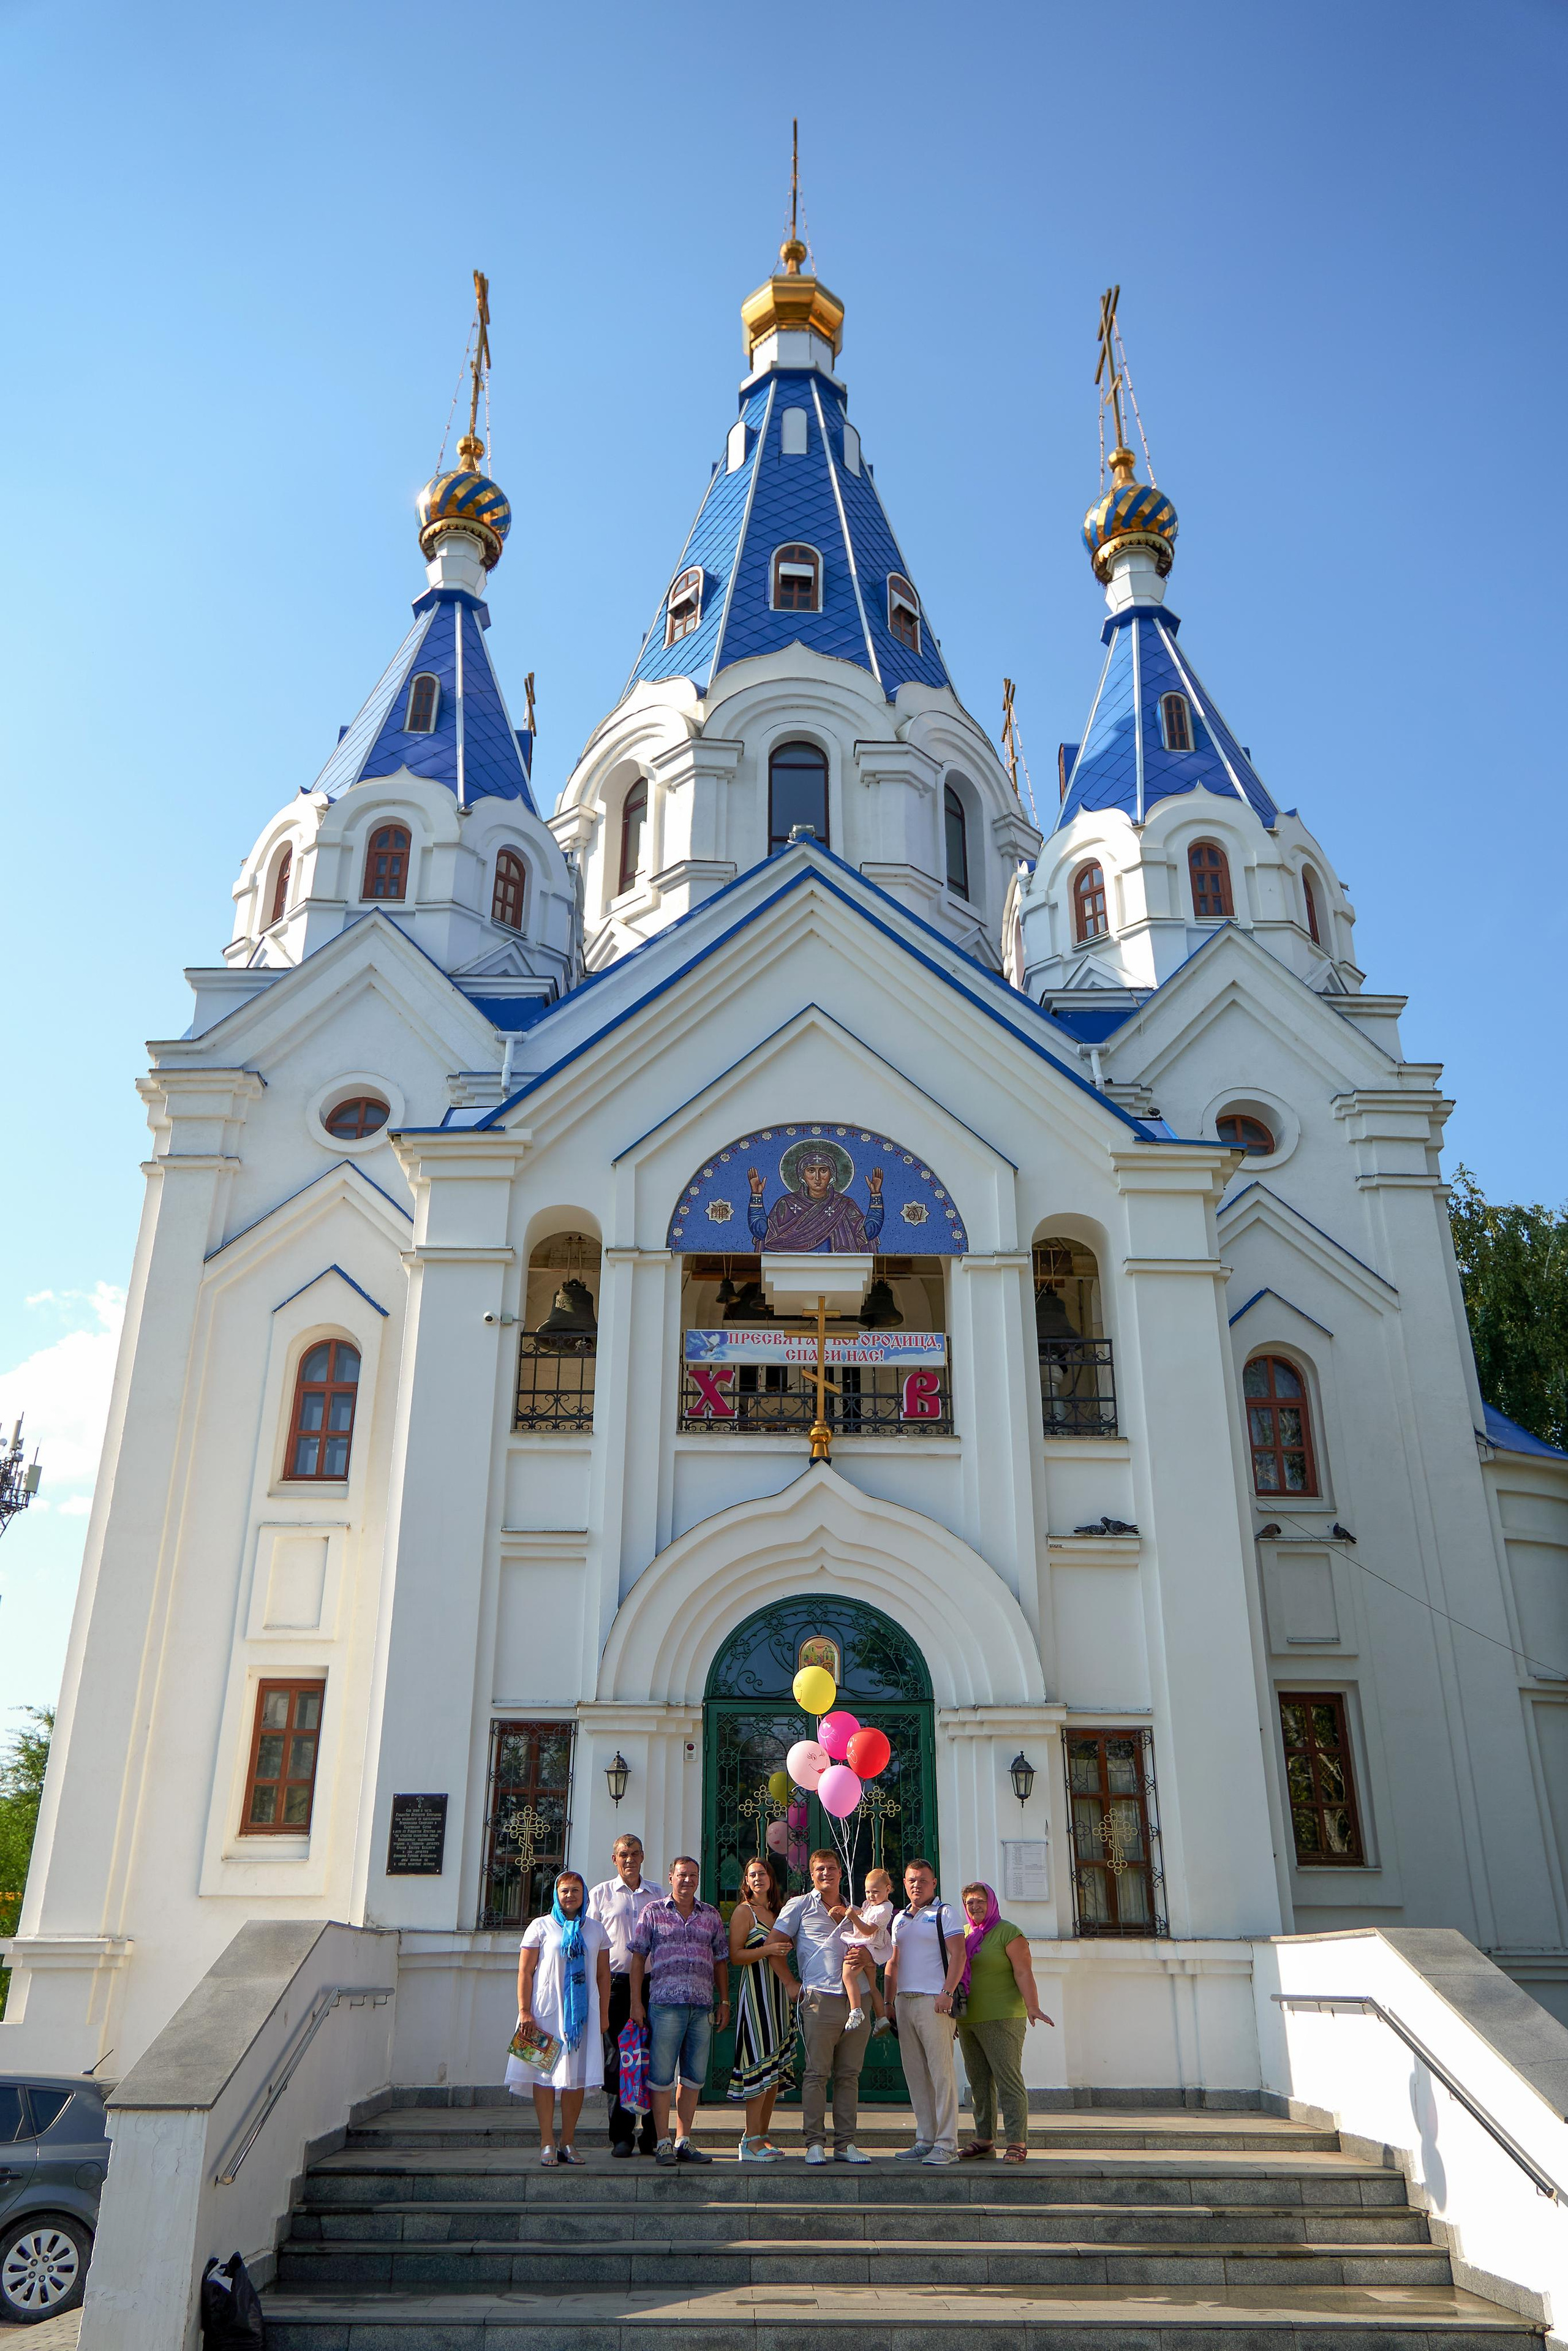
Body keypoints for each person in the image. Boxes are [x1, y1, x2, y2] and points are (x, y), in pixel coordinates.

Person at [766, 1849, 869, 2164]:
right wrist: (789, 1983)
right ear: (811, 1874)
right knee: (816, 2074)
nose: (827, 1874)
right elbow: (774, 1946)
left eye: (832, 1869)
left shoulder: (856, 1909)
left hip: (857, 1999)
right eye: (820, 1869)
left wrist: (867, 1957)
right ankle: (814, 2143)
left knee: (849, 2075)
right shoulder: (799, 1906)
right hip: (819, 1999)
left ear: (840, 1873)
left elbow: (878, 1945)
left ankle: (846, 2144)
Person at [628, 1855, 730, 2166]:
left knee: (693, 2078)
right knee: (661, 2078)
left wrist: (724, 2001)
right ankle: (662, 2142)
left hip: (701, 2008)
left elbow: (721, 1960)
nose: (688, 1881)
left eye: (693, 1876)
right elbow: (637, 1959)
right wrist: (636, 2002)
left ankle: (683, 2140)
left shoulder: (711, 1915)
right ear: (670, 1876)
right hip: (664, 2006)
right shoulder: (653, 1912)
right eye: (682, 1875)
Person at [506, 1870, 612, 2165]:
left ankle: (568, 2141)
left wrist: (603, 2014)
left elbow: (604, 1976)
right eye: (564, 1891)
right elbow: (525, 1972)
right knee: (544, 2076)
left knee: (574, 2079)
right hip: (545, 2014)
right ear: (556, 1893)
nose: (570, 1896)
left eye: (576, 1891)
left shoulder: (595, 1930)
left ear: (584, 1894)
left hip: (581, 2018)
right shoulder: (541, 1926)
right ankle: (547, 2142)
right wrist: (525, 2011)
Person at [953, 1880, 1055, 2164]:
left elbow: (1024, 1972)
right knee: (979, 2082)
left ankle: (1017, 2142)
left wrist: (1033, 2007)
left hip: (1003, 2018)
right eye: (970, 1902)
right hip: (968, 2019)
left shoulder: (1008, 1932)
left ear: (992, 1903)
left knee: (1007, 2080)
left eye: (980, 1901)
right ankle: (984, 2140)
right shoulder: (963, 1935)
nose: (975, 1907)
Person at [884, 1857, 967, 2167]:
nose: (916, 1885)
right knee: (916, 2075)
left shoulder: (945, 1913)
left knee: (941, 2075)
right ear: (903, 1885)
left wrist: (946, 1993)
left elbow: (958, 1955)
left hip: (934, 2002)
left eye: (922, 1879)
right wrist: (889, 2002)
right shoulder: (900, 1919)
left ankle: (946, 2145)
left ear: (934, 1883)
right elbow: (893, 1962)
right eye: (910, 1880)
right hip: (904, 2002)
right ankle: (925, 2139)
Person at [587, 1832, 662, 2156]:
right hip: (615, 1985)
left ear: (643, 1857)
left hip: (654, 1983)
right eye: (623, 1854)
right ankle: (621, 2134)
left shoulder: (659, 1894)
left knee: (654, 2059)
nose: (629, 1858)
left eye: (634, 1853)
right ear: (614, 1859)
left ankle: (652, 2136)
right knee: (620, 2059)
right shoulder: (601, 1894)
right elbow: (590, 1944)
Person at [726, 1852, 799, 2160]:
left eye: (763, 1874)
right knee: (757, 2064)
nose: (758, 1879)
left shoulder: (779, 1911)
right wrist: (768, 1948)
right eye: (753, 1874)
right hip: (756, 1995)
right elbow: (736, 1956)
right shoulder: (745, 1912)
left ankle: (763, 2135)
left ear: (772, 1880)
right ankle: (749, 2140)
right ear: (747, 1881)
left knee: (774, 2068)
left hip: (779, 1995)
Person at [840, 1866, 895, 2032]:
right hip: (870, 1947)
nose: (871, 1896)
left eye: (876, 1892)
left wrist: (853, 1917)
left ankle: (856, 2011)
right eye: (868, 1892)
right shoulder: (871, 1904)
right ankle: (881, 2018)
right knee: (871, 1986)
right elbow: (863, 1913)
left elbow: (867, 1930)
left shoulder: (884, 1909)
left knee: (848, 1975)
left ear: (888, 1889)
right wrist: (847, 1912)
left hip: (866, 1945)